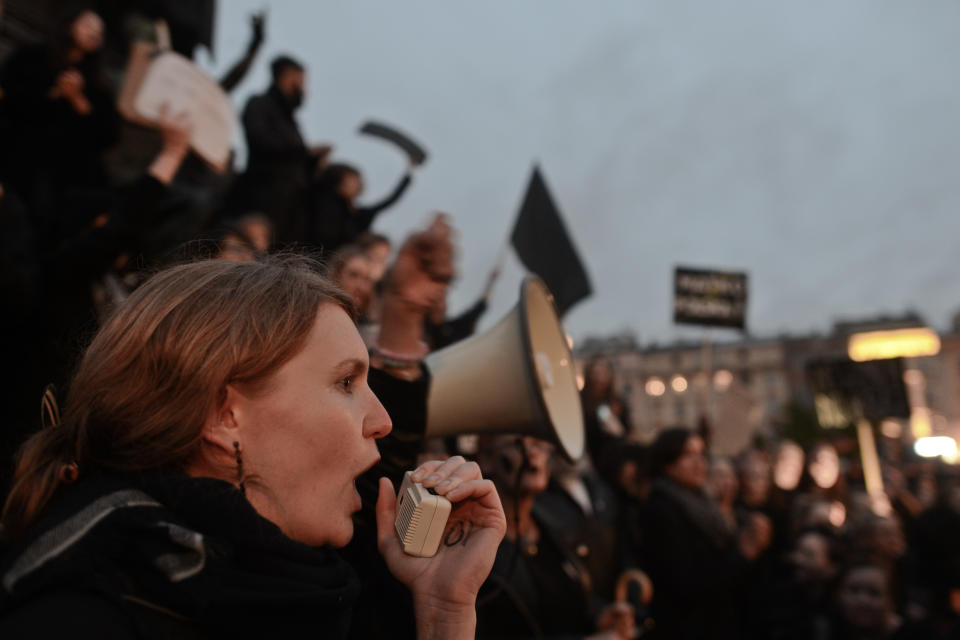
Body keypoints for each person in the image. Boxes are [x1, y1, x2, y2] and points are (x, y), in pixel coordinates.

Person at [0, 255, 506, 638]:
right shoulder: (73, 622)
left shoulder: (312, 595)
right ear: (225, 415)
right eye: (346, 383)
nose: (382, 420)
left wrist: (443, 613)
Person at [475, 435, 635, 640]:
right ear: (486, 459)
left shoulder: (556, 522)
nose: (533, 453)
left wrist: (597, 618)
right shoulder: (473, 546)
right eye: (518, 444)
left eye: (539, 444)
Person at [641, 427, 771, 640]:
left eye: (701, 454)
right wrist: (741, 553)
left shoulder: (703, 501)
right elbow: (685, 581)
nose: (699, 463)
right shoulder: (661, 508)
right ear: (667, 461)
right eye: (688, 455)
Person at [230, 55, 330, 245]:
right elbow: (260, 140)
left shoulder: (291, 120)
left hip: (291, 205)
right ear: (286, 77)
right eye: (300, 81)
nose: (303, 88)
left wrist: (314, 161)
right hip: (264, 196)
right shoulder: (260, 104)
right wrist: (304, 152)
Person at [308, 162, 412, 254]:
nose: (358, 183)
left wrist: (409, 173)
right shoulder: (325, 203)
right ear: (337, 182)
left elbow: (388, 201)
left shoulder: (361, 214)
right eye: (351, 180)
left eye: (358, 179)